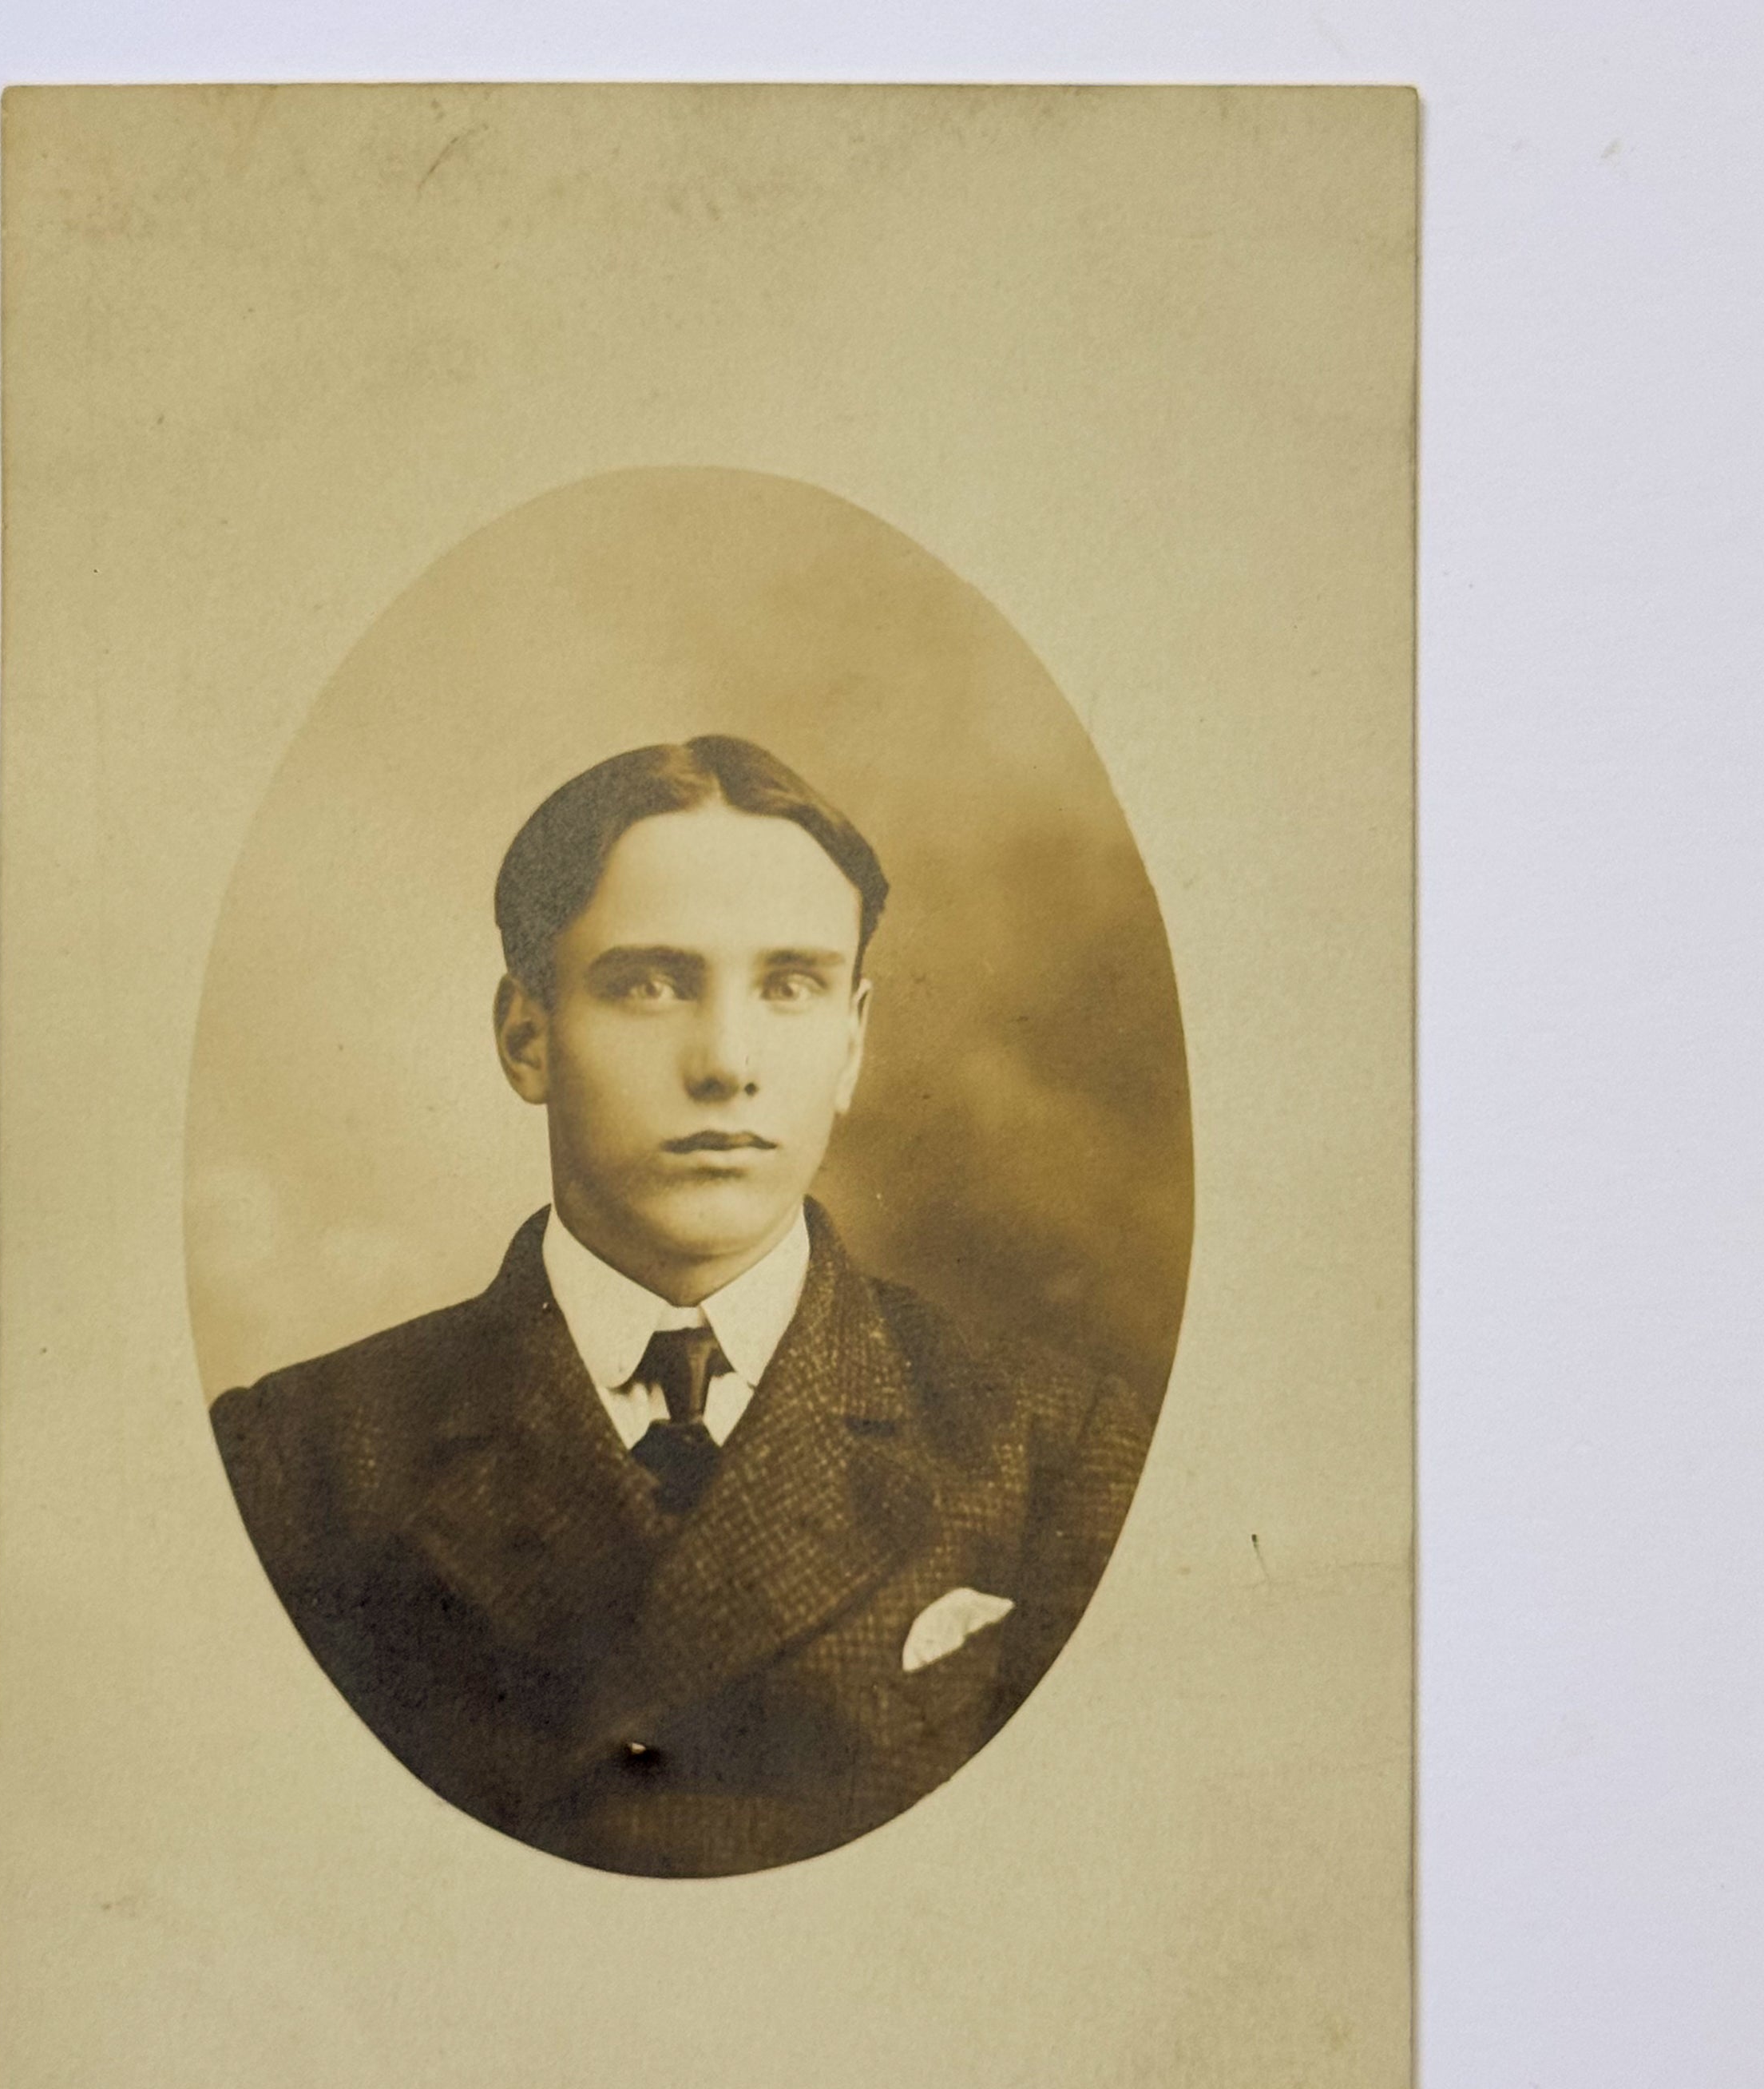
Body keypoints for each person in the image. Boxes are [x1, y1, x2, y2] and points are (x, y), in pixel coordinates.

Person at [212, 735, 1152, 1877]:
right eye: (650, 984)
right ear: (525, 1036)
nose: (725, 1062)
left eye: (789, 986)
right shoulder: (300, 1463)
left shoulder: (1054, 1448)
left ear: (853, 1041)